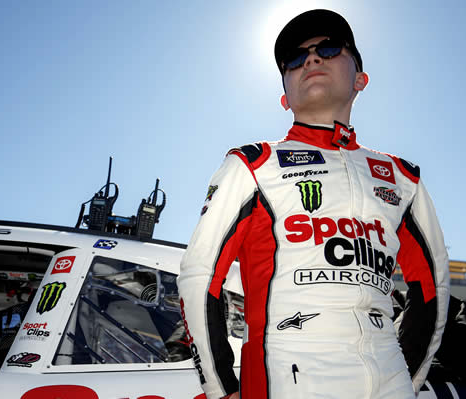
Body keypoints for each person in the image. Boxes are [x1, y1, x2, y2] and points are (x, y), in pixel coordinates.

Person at [177, 9, 450, 399]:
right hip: (291, 378)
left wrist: (407, 380)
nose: (311, 58)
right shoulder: (253, 165)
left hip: (390, 379)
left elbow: (433, 290)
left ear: (360, 79)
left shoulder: (403, 178)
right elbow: (199, 276)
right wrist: (221, 389)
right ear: (285, 98)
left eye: (329, 48)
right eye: (295, 58)